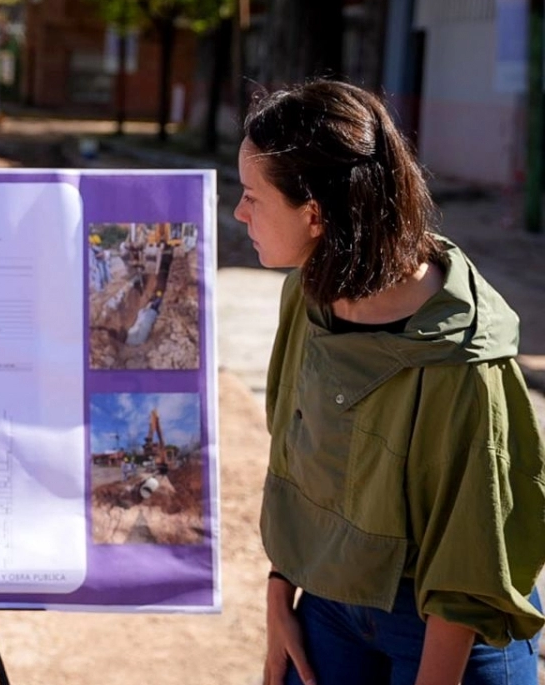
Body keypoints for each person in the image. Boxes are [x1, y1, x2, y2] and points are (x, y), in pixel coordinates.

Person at [235, 79, 545, 685]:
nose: (240, 212)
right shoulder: (306, 294)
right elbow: (296, 458)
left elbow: (470, 562)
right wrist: (280, 599)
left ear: (315, 213)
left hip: (449, 632)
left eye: (251, 196)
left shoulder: (463, 361)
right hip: (328, 597)